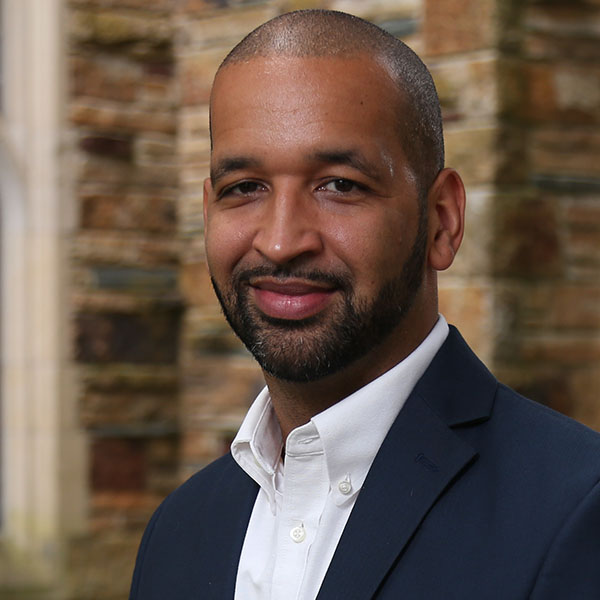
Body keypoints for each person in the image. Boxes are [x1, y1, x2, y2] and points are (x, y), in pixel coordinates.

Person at [129, 10, 600, 600]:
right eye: (244, 188)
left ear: (442, 221)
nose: (280, 240)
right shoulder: (179, 532)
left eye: (339, 185)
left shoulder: (576, 511)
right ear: (207, 212)